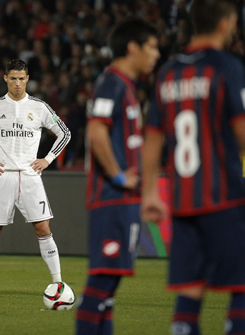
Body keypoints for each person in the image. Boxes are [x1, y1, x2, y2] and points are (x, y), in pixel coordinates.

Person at [141, 1, 245, 334]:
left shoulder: (169, 71)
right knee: (241, 287)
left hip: (183, 201)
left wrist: (149, 194)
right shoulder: (226, 67)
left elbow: (153, 139)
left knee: (190, 291)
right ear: (227, 23)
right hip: (224, 196)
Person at [76, 18, 159, 334]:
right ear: (132, 47)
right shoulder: (111, 83)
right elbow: (96, 133)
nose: (156, 54)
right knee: (101, 283)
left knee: (108, 293)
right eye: (151, 47)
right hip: (111, 198)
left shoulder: (125, 86)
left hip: (123, 200)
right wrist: (118, 176)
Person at [0, 59, 71, 297]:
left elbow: (65, 133)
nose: (18, 84)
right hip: (3, 176)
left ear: (28, 79)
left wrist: (48, 159)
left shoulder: (39, 107)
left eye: (22, 79)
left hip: (31, 176)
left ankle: (58, 284)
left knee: (43, 227)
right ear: (5, 79)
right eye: (13, 78)